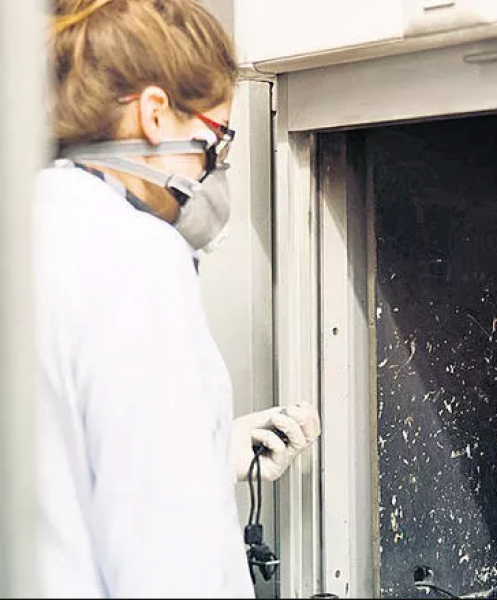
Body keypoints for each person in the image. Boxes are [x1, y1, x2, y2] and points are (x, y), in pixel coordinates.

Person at [34, 0, 319, 596]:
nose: (215, 170)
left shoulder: (16, 228)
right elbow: (164, 560)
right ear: (155, 114)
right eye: (216, 141)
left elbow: (59, 465)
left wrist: (211, 449)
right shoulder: (135, 256)